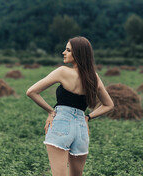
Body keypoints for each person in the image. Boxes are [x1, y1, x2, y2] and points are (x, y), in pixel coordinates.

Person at [26, 36, 114, 176]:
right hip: (81, 128)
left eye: (68, 50)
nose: (63, 52)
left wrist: (50, 111)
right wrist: (88, 117)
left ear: (78, 54)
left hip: (61, 124)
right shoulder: (94, 77)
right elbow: (109, 105)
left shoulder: (62, 72)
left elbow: (31, 92)